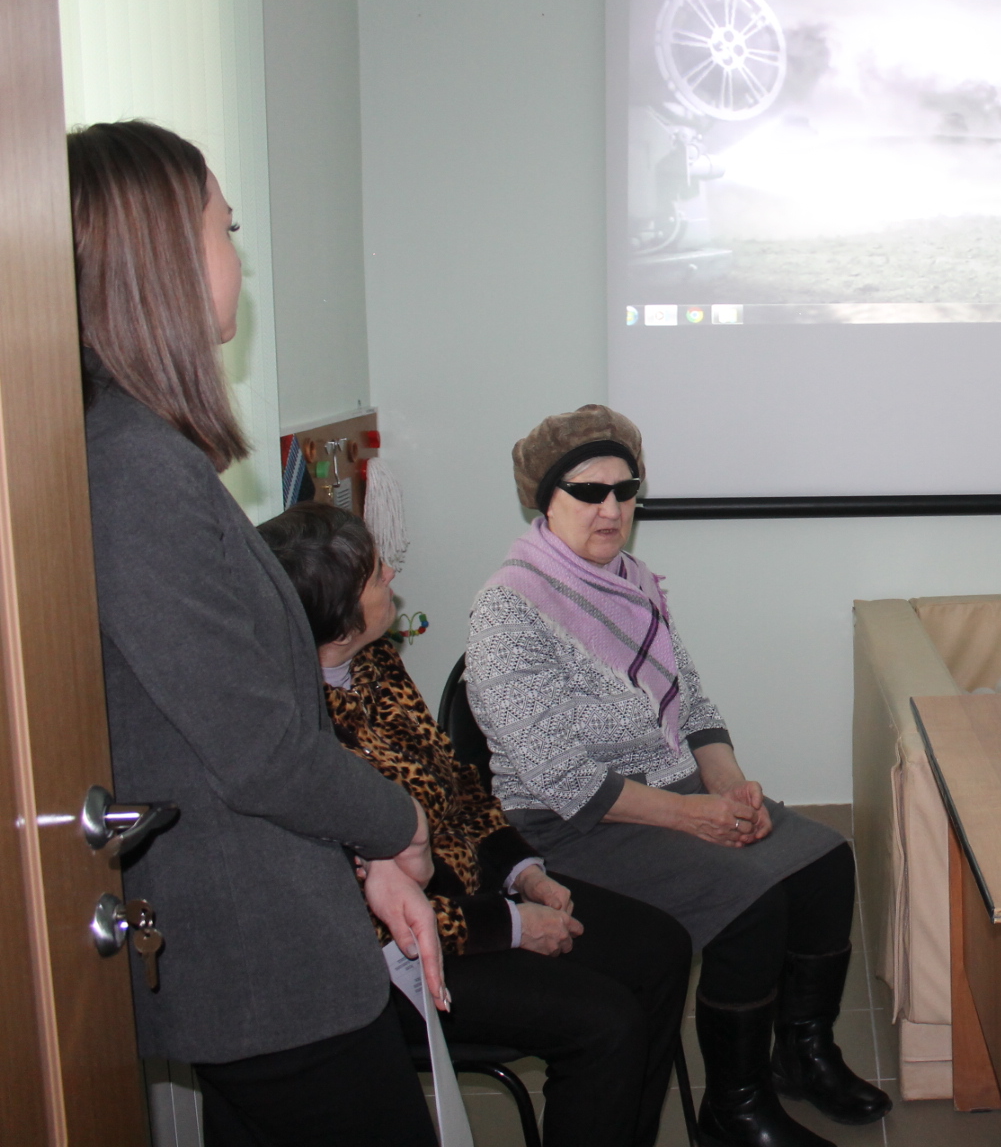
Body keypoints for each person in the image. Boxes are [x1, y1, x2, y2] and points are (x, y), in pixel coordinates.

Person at [72, 119, 444, 1145]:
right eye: (225, 228)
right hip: (260, 955)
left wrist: (369, 856)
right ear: (163, 258)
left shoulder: (146, 449)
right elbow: (260, 748)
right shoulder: (134, 468)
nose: (240, 257)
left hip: (273, 932)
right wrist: (396, 822)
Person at [466, 405, 886, 1147]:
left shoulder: (630, 580)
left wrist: (729, 787)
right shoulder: (509, 608)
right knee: (749, 902)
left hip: (668, 791)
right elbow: (561, 778)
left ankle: (803, 1054)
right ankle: (734, 1108)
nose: (611, 509)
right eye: (587, 492)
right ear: (543, 498)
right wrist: (694, 817)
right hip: (570, 825)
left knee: (825, 863)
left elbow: (691, 703)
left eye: (625, 490)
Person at [261, 503, 695, 1146]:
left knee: (661, 948)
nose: (391, 574)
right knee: (606, 1025)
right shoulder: (291, 730)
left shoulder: (375, 662)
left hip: (474, 896)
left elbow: (459, 784)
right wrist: (514, 926)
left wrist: (524, 873)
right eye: (375, 575)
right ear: (338, 615)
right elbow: (356, 914)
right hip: (398, 958)